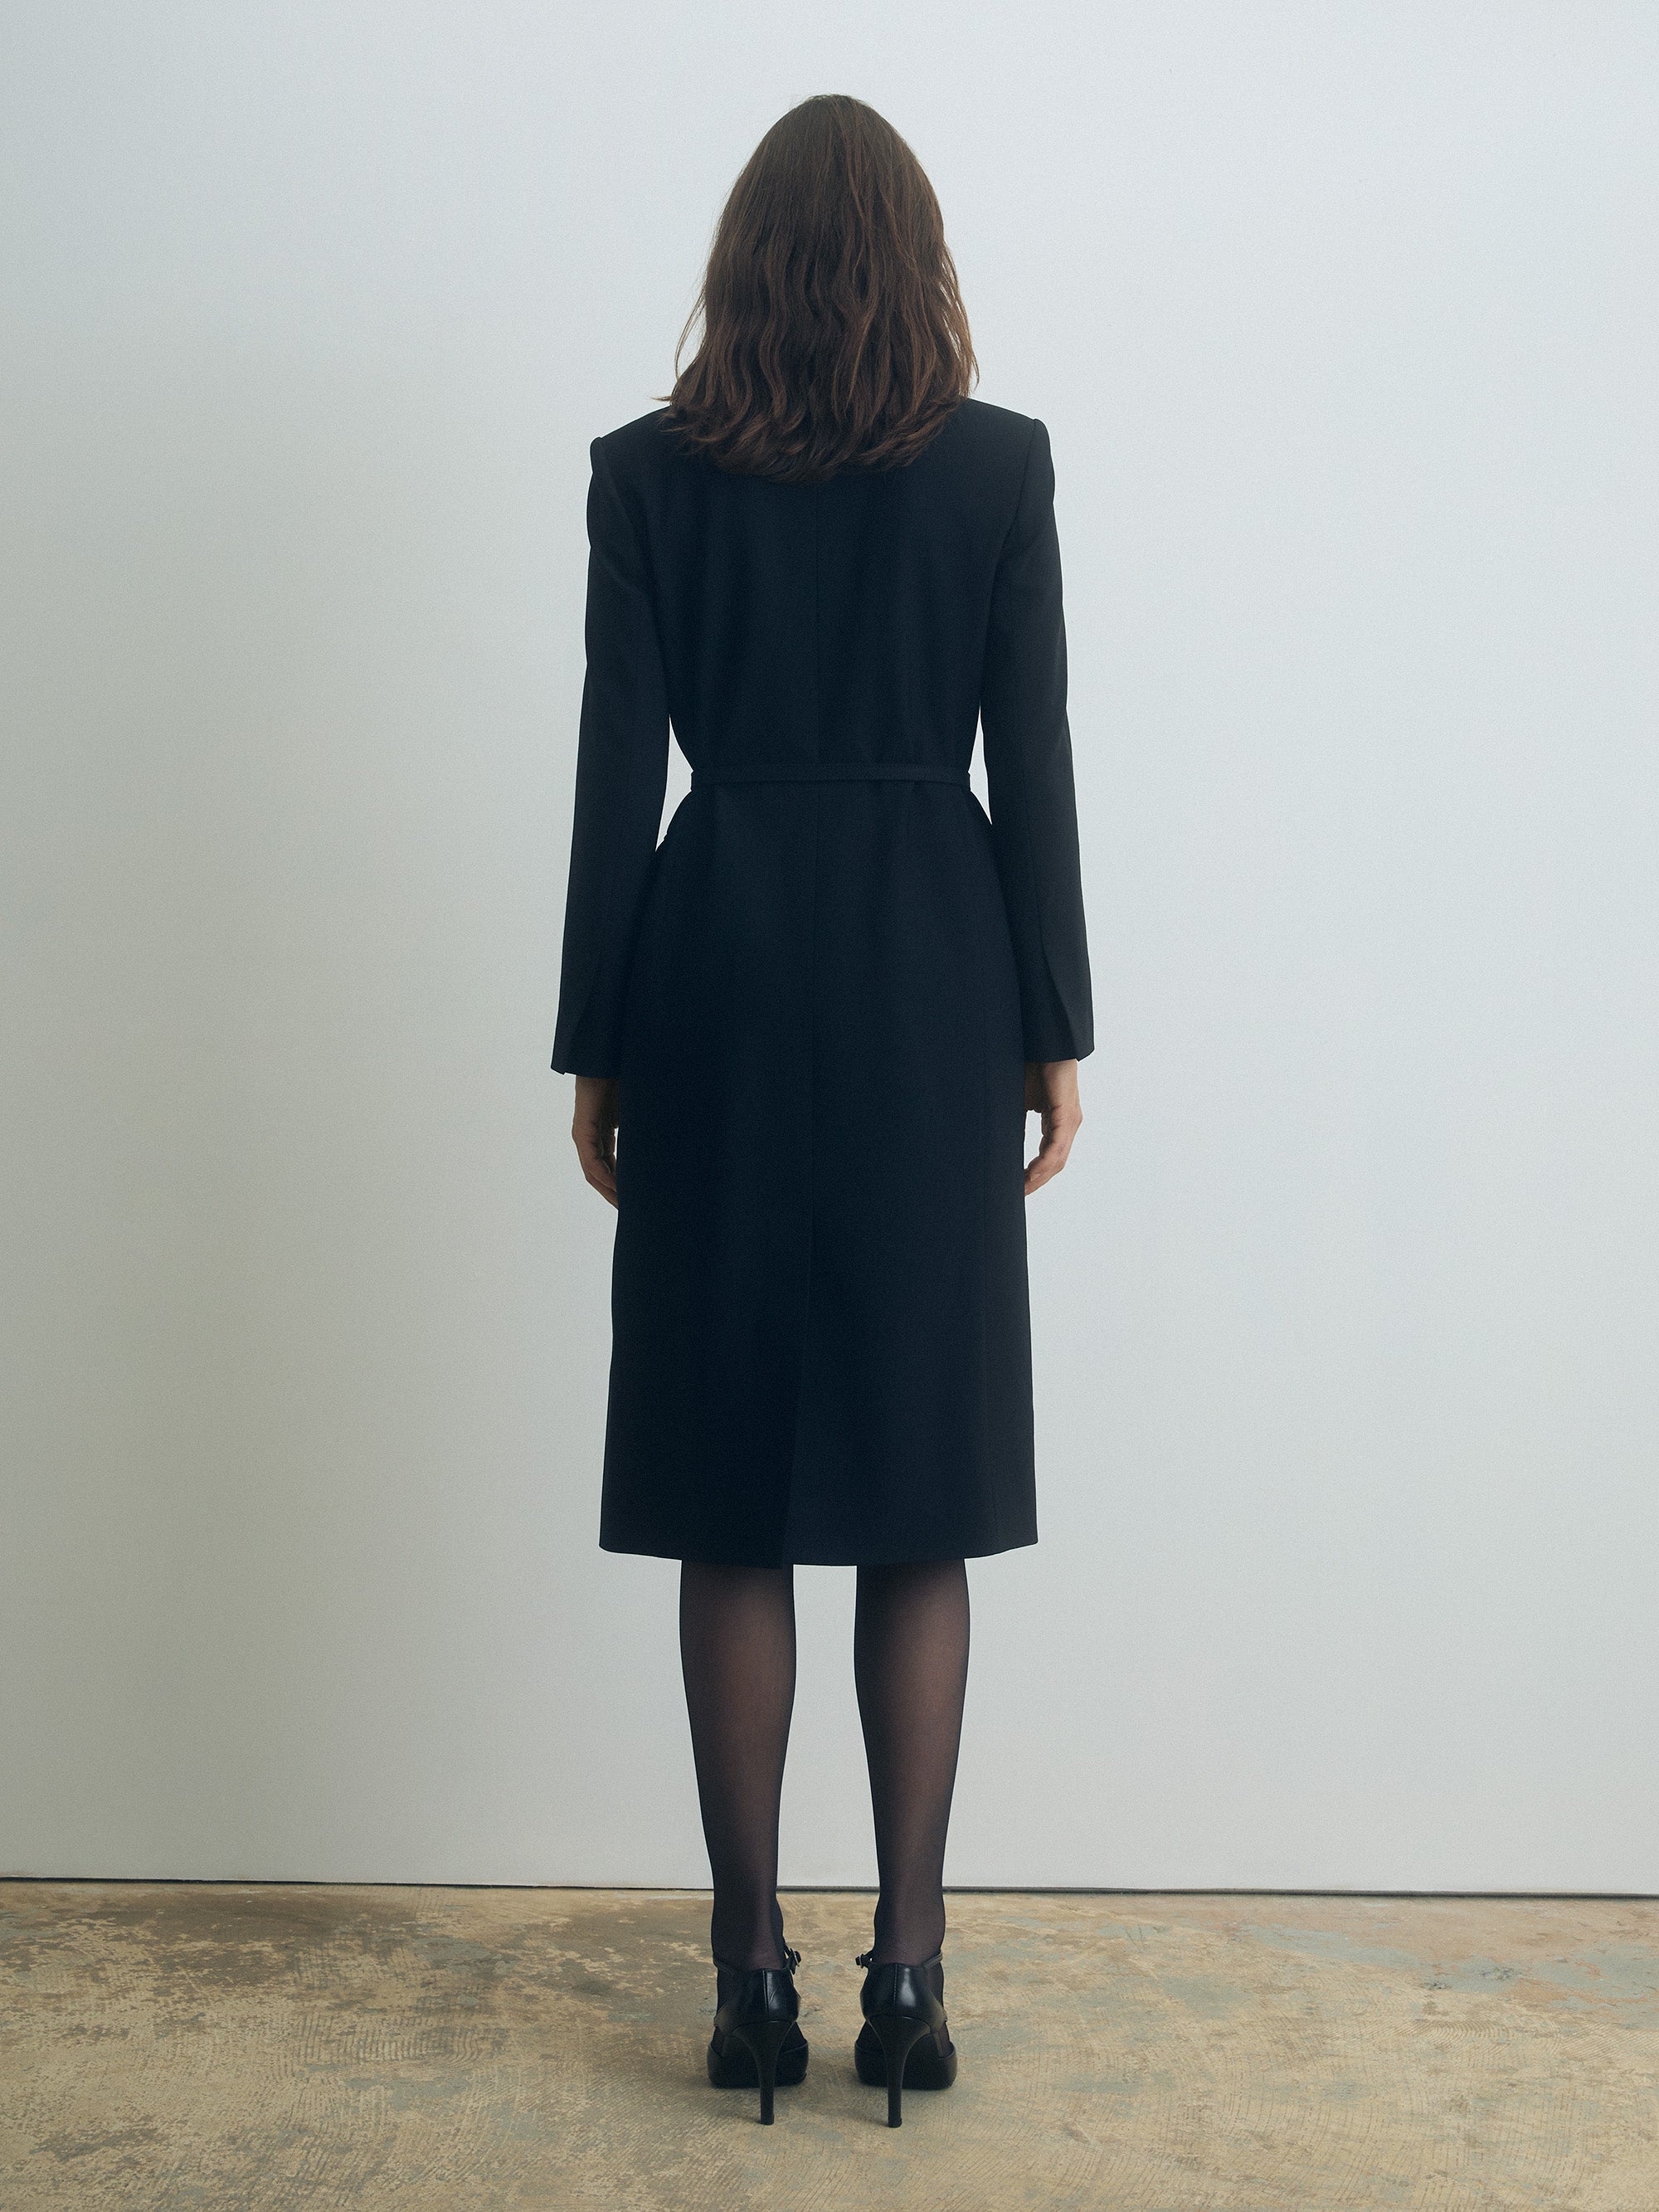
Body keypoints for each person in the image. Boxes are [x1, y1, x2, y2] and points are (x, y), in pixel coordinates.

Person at [549, 92, 1093, 2127]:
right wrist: (1051, 1025)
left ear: (746, 266)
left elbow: (618, 774)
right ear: (916, 262)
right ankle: (912, 1970)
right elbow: (1031, 757)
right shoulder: (998, 469)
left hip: (717, 967)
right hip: (931, 970)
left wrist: (597, 1041)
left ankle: (749, 1973)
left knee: (734, 1484)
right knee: (916, 1482)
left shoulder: (643, 477)